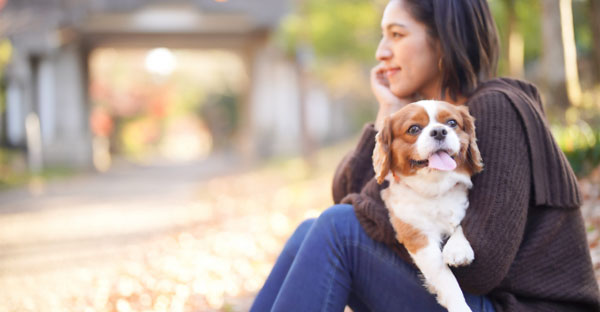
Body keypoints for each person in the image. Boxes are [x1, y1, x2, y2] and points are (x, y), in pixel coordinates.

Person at [251, 0, 600, 311]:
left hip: (512, 305)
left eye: (396, 35)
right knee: (310, 232)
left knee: (336, 230)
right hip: (472, 300)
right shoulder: (419, 122)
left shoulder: (495, 108)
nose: (381, 52)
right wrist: (388, 112)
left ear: (443, 40)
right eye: (382, 36)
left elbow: (480, 268)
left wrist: (402, 227)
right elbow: (348, 197)